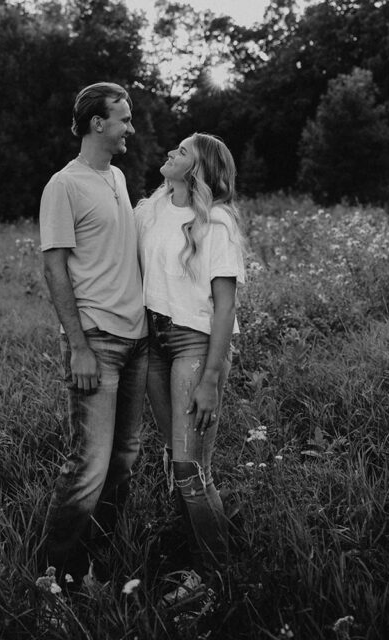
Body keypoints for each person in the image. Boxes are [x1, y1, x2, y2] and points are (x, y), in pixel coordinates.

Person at [38, 82, 148, 590]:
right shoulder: (64, 185)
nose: (131, 127)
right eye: (123, 119)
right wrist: (78, 345)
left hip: (137, 338)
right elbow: (55, 268)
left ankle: (91, 566)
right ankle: (53, 575)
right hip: (97, 341)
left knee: (124, 460)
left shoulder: (119, 178)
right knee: (88, 466)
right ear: (98, 124)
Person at [135, 132, 245, 604]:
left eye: (180, 152)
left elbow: (225, 308)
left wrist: (212, 380)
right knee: (176, 458)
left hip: (193, 343)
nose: (169, 154)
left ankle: (218, 578)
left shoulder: (216, 223)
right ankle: (200, 556)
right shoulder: (156, 207)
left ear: (196, 169)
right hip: (154, 343)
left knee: (190, 469)